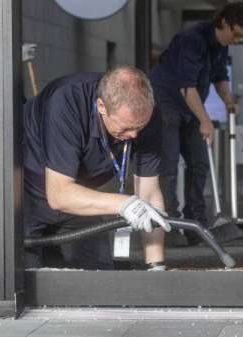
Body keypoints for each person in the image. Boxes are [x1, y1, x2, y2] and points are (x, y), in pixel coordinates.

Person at [23, 66, 171, 271]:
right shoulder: (66, 102)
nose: (135, 135)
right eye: (126, 127)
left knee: (99, 278)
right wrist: (125, 204)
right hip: (25, 193)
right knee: (25, 284)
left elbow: (149, 192)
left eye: (140, 127)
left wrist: (156, 265)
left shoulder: (146, 117)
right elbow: (59, 194)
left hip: (79, 195)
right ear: (101, 106)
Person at [149, 2, 243, 238]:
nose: (237, 40)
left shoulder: (221, 44)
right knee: (169, 167)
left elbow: (219, 76)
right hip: (166, 103)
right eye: (236, 34)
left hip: (189, 107)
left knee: (199, 163)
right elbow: (187, 88)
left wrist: (228, 100)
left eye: (242, 36)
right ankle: (171, 225)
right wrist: (205, 121)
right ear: (225, 23)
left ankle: (196, 223)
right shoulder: (192, 39)